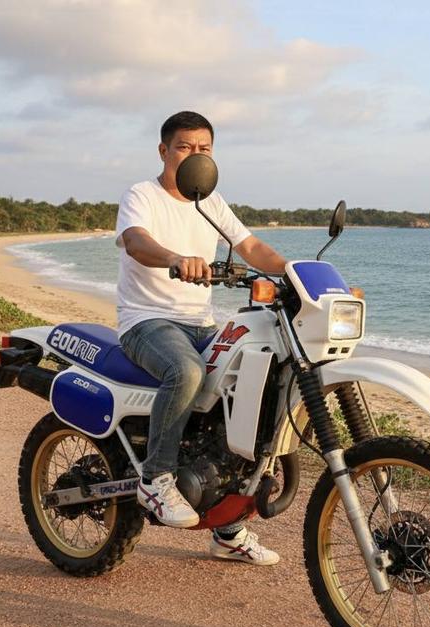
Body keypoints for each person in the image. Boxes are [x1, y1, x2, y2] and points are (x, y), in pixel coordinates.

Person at [114, 110, 286, 565]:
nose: (195, 154)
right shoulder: (142, 195)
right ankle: (155, 480)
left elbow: (250, 246)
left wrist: (295, 270)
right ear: (163, 151)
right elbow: (136, 242)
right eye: (185, 146)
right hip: (146, 321)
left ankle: (227, 529)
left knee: (251, 383)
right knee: (187, 371)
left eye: (204, 148)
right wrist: (176, 259)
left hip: (200, 322)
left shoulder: (210, 202)